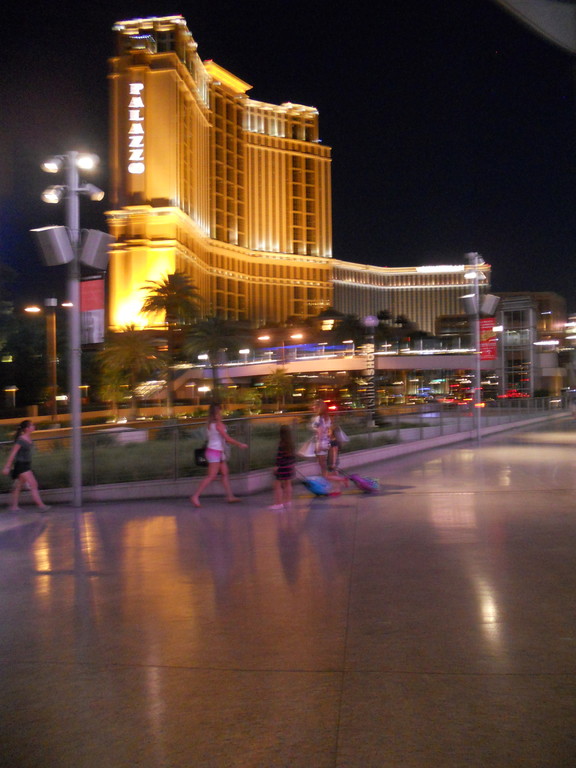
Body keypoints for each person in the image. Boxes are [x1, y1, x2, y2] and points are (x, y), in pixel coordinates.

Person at [191, 403, 248, 508]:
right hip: (215, 452)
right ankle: (195, 496)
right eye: (220, 411)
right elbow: (227, 439)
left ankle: (230, 496)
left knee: (225, 473)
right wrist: (240, 444)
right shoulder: (218, 425)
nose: (222, 413)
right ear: (217, 413)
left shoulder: (211, 424)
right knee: (211, 476)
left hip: (216, 451)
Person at [2, 420, 50, 512]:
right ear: (27, 428)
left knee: (18, 486)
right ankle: (41, 506)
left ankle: (14, 507)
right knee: (33, 484)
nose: (34, 426)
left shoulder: (27, 438)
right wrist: (7, 467)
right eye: (32, 425)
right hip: (22, 465)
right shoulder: (21, 440)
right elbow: (13, 453)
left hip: (26, 464)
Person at [310, 401, 347, 486]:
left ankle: (327, 484)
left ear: (319, 408)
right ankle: (335, 485)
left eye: (314, 406)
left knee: (323, 468)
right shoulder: (328, 418)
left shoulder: (318, 418)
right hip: (328, 443)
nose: (313, 407)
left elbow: (320, 432)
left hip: (321, 443)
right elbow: (329, 431)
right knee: (330, 467)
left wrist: (318, 445)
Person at [269, 425, 295, 510]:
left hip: (282, 467)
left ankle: (279, 503)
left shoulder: (282, 444)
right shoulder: (291, 444)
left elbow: (279, 457)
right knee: (288, 483)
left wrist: (276, 466)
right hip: (289, 466)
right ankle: (288, 501)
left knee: (277, 485)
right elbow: (293, 456)